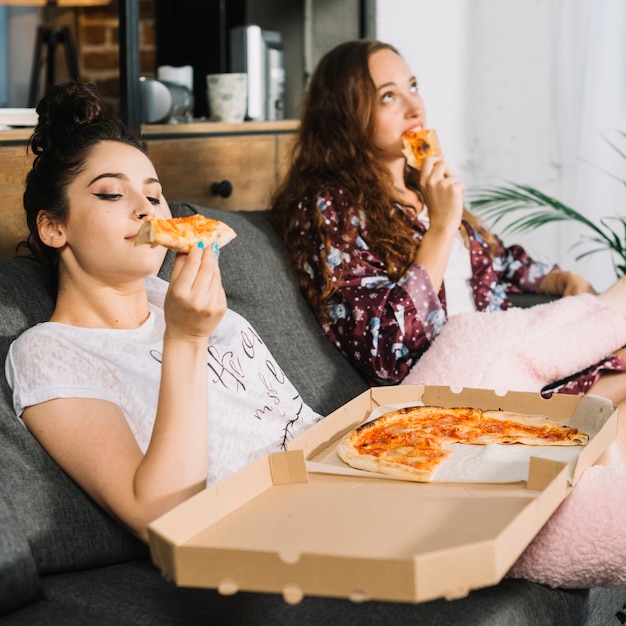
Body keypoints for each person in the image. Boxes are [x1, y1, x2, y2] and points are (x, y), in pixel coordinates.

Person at [271, 39, 626, 587]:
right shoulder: (328, 205)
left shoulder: (423, 184)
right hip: (451, 387)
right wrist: (439, 227)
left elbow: (495, 262)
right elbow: (385, 351)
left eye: (413, 86)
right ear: (345, 115)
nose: (415, 107)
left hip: (515, 361)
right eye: (388, 96)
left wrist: (553, 278)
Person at [4, 81, 321, 543]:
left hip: (340, 482)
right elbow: (165, 517)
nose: (145, 211)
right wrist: (186, 339)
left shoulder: (174, 298)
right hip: (268, 537)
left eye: (154, 196)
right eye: (112, 194)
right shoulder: (50, 351)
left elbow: (300, 429)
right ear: (54, 227)